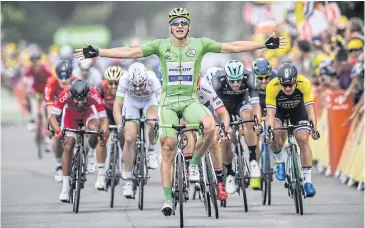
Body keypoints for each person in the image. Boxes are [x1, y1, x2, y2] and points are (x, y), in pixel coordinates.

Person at [74, 7, 287, 215]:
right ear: (170, 28)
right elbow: (130, 52)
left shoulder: (200, 44)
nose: (179, 26)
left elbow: (232, 46)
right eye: (175, 23)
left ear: (189, 26)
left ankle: (193, 163)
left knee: (210, 127)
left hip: (189, 99)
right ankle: (168, 199)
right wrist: (98, 52)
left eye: (183, 22)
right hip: (167, 101)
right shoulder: (160, 46)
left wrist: (265, 43)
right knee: (168, 146)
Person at [48, 79, 109, 202]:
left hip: (88, 115)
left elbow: (104, 119)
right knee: (68, 146)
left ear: (88, 95)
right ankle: (65, 187)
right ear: (72, 95)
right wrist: (59, 132)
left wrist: (102, 134)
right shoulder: (65, 93)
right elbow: (52, 117)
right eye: (77, 100)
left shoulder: (94, 93)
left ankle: (91, 153)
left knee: (95, 128)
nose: (80, 103)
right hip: (70, 117)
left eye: (83, 100)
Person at [265, 63, 320, 197]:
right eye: (284, 85)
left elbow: (310, 110)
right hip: (279, 112)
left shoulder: (304, 83)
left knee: (302, 139)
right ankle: (279, 161)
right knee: (274, 134)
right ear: (279, 82)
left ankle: (307, 181)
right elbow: (271, 114)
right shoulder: (272, 86)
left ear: (296, 81)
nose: (288, 88)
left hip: (298, 111)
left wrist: (313, 128)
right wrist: (269, 131)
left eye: (291, 84)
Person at [211, 60, 262, 191]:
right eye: (232, 81)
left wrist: (256, 122)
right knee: (226, 136)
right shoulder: (217, 81)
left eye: (238, 81)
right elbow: (213, 108)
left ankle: (252, 160)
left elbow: (255, 103)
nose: (236, 84)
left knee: (248, 117)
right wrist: (218, 126)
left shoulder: (249, 78)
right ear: (226, 77)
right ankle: (229, 173)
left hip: (241, 102)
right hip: (223, 107)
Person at [113, 62, 161, 198]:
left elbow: (161, 103)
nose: (139, 88)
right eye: (135, 85)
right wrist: (119, 124)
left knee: (153, 123)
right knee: (129, 139)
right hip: (131, 103)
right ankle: (128, 180)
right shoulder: (124, 80)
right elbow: (118, 104)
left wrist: (160, 118)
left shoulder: (152, 80)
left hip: (149, 101)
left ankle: (151, 150)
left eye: (141, 85)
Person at [44, 60, 77, 182]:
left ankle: (82, 156)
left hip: (74, 110)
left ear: (71, 76)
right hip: (57, 111)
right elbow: (50, 112)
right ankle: (59, 165)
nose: (63, 81)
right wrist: (56, 129)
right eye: (60, 77)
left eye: (66, 77)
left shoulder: (77, 82)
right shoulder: (51, 84)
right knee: (56, 136)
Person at [94, 65, 125, 190]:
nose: (113, 86)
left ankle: (124, 164)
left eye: (116, 83)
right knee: (101, 139)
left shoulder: (126, 87)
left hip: (122, 112)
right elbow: (95, 107)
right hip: (106, 113)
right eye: (110, 83)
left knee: (126, 136)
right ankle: (101, 175)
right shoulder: (101, 87)